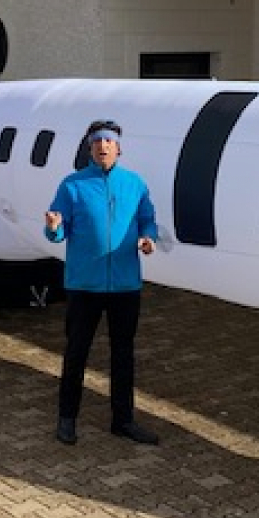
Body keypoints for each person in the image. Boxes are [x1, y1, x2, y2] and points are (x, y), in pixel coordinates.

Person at [44, 120, 160, 446]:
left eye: (108, 141)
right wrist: (53, 227)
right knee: (76, 352)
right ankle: (67, 419)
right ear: (90, 148)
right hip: (84, 286)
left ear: (118, 148)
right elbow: (58, 231)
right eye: (96, 141)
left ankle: (123, 421)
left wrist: (148, 239)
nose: (102, 146)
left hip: (125, 286)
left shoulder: (135, 184)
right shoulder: (72, 186)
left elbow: (147, 220)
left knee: (123, 355)